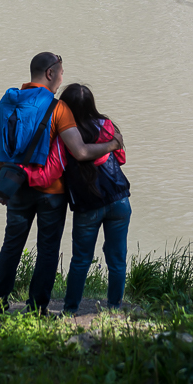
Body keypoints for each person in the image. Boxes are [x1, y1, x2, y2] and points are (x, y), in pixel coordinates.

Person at [0, 53, 124, 319]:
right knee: (48, 250)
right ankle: (37, 309)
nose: (62, 78)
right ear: (50, 73)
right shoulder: (59, 109)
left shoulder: (7, 102)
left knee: (11, 247)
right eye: (61, 73)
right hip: (52, 193)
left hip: (16, 188)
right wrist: (113, 144)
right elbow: (81, 151)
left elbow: (0, 149)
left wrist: (5, 185)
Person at [57, 83, 131, 316]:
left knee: (80, 260)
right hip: (118, 198)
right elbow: (121, 158)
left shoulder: (65, 134)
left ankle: (70, 311)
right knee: (117, 259)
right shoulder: (107, 126)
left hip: (88, 204)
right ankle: (114, 308)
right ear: (92, 104)